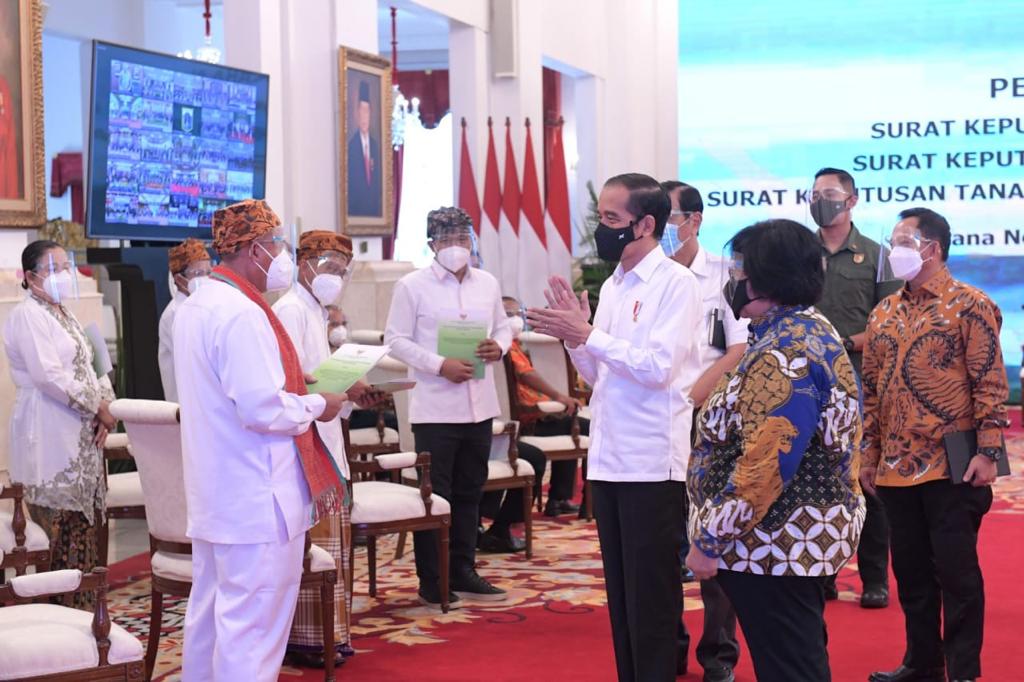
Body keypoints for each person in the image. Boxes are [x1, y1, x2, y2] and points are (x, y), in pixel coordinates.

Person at [528, 173, 702, 682]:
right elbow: (599, 374)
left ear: (645, 225)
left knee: (652, 595)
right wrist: (574, 338)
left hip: (651, 460)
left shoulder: (676, 284)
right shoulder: (613, 284)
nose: (601, 228)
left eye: (611, 219)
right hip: (608, 457)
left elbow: (658, 368)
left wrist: (589, 335)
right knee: (622, 594)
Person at [173, 199, 349, 681]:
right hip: (255, 495)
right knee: (252, 631)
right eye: (278, 245)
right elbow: (261, 409)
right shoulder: (241, 313)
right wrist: (317, 404)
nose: (282, 256)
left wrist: (295, 384)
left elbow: (234, 388)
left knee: (211, 621)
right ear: (255, 249)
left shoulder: (199, 303)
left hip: (218, 494)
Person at [686, 218, 864, 682]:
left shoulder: (786, 351)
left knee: (791, 666)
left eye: (740, 271)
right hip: (785, 541)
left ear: (770, 279)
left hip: (775, 543)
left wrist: (708, 540)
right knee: (798, 658)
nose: (733, 280)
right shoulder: (800, 328)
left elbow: (765, 467)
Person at [862, 208, 1008, 682]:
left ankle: (963, 671)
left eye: (904, 240)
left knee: (957, 573)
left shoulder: (972, 304)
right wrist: (868, 454)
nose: (895, 249)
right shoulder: (883, 312)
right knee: (911, 572)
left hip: (955, 459)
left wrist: (989, 451)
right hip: (895, 463)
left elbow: (989, 382)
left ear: (933, 248)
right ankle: (923, 663)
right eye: (893, 241)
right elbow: (872, 390)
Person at [384, 206, 513, 608]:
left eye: (462, 239)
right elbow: (395, 340)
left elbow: (503, 327)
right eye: (447, 240)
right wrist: (440, 364)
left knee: (471, 491)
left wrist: (499, 347)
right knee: (435, 496)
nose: (456, 246)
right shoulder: (412, 286)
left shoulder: (487, 283)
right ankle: (432, 578)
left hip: (479, 406)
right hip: (436, 408)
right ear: (432, 244)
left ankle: (463, 568)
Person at [660, 180, 746, 682]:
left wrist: (693, 396)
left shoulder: (722, 274)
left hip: (709, 417)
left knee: (713, 533)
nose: (662, 227)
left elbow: (738, 348)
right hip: (656, 422)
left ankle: (718, 655)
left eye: (670, 217)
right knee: (664, 538)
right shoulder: (645, 274)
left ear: (694, 220)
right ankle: (667, 648)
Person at [4, 240, 116, 606]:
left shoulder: (63, 312)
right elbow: (48, 376)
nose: (64, 274)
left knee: (84, 526)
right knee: (58, 525)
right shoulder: (28, 315)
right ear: (30, 276)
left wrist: (106, 408)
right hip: (49, 428)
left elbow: (91, 362)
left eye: (65, 266)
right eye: (54, 268)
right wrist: (96, 406)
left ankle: (85, 606)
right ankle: (58, 610)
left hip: (81, 430)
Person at [273, 230, 366, 668]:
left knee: (334, 543)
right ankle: (308, 639)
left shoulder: (317, 311)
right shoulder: (290, 310)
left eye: (342, 270)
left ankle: (332, 634)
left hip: (325, 430)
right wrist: (337, 389)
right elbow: (292, 381)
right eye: (329, 266)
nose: (336, 277)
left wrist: (352, 388)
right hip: (306, 439)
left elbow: (320, 373)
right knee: (315, 546)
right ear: (305, 264)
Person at [809, 167, 897, 608]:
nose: (820, 201)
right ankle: (820, 573)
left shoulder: (877, 256)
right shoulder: (799, 252)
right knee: (813, 481)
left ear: (851, 200)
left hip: (860, 384)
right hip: (804, 385)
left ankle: (874, 577)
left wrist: (842, 344)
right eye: (813, 194)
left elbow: (890, 322)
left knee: (865, 481)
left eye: (828, 193)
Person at [503, 295, 586, 517]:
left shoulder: (515, 343)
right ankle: (578, 501)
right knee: (583, 426)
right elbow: (526, 374)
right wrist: (558, 396)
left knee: (572, 420)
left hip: (539, 411)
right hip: (529, 418)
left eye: (518, 314)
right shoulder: (501, 346)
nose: (515, 319)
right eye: (508, 315)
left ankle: (561, 499)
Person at [157, 238, 211, 402]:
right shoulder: (175, 313)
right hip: (185, 403)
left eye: (209, 272)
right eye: (199, 274)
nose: (206, 278)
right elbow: (195, 362)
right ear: (180, 279)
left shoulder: (202, 306)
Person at [346, 80, 381, 217]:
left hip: (373, 212)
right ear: (357, 114)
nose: (364, 116)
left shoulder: (375, 146)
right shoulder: (351, 147)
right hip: (356, 211)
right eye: (361, 111)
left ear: (370, 113)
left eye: (366, 111)